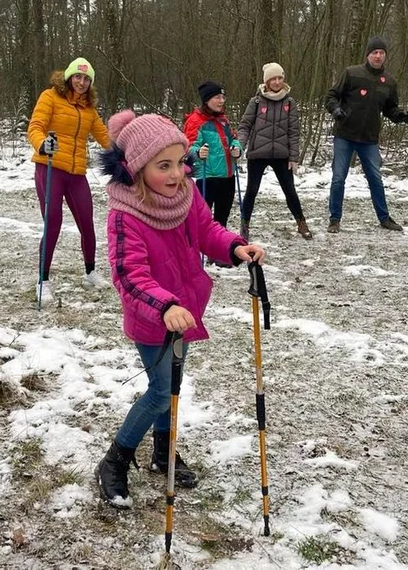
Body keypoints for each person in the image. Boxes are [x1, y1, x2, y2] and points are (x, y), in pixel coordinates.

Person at [94, 110, 265, 507]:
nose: (175, 174)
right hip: (153, 315)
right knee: (161, 390)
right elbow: (128, 274)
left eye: (180, 163)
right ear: (136, 168)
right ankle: (115, 460)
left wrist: (234, 246)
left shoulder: (187, 194)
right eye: (163, 166)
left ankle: (162, 452)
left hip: (184, 310)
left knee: (172, 386)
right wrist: (165, 304)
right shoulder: (125, 213)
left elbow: (208, 230)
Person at [27, 57, 110, 303]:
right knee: (53, 221)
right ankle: (43, 280)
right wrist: (43, 143)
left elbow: (105, 137)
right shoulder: (50, 97)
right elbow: (35, 126)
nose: (82, 82)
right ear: (68, 77)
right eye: (78, 76)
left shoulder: (89, 109)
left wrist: (126, 153)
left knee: (87, 221)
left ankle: (90, 271)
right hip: (50, 167)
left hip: (76, 173)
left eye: (86, 79)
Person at [325, 36, 408, 232]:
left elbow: (390, 108)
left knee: (375, 178)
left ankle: (384, 218)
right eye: (375, 52)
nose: (378, 56)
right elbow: (331, 96)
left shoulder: (389, 81)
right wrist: (336, 110)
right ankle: (334, 219)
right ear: (368, 55)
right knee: (339, 177)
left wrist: (400, 116)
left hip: (369, 138)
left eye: (382, 53)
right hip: (345, 134)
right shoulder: (351, 73)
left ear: (385, 57)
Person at [236, 62, 312, 240]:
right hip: (257, 154)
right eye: (273, 79)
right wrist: (240, 146)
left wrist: (294, 157)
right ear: (267, 81)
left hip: (282, 155)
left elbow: (294, 132)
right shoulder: (256, 101)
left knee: (290, 190)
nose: (277, 82)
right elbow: (245, 126)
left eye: (280, 78)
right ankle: (244, 224)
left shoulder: (290, 102)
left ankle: (301, 222)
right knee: (252, 191)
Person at [183, 81, 242, 231]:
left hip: (228, 176)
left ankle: (218, 250)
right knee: (203, 218)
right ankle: (201, 248)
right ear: (206, 99)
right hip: (207, 177)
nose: (222, 101)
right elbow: (188, 146)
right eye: (217, 97)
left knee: (223, 217)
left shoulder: (223, 119)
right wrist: (197, 152)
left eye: (223, 97)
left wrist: (237, 149)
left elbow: (234, 138)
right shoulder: (195, 121)